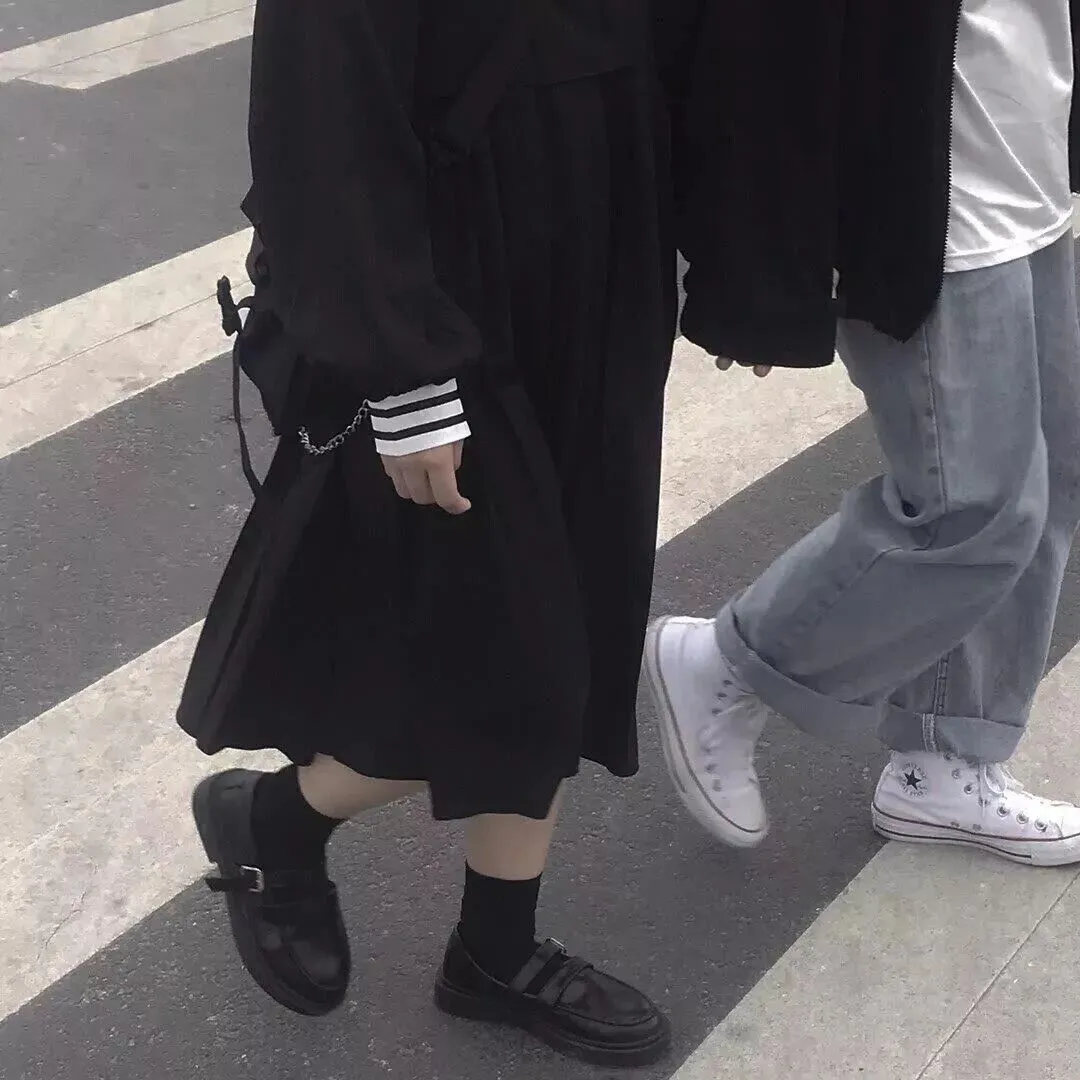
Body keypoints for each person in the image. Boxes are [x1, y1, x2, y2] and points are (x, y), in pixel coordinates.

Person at [176, 0, 675, 1066]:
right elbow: (325, 109)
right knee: (533, 661)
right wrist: (402, 372)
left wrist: (750, 264)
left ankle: (496, 950)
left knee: (575, 625)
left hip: (605, 250)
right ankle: (281, 819)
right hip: (447, 282)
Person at [648, 0, 1080, 865]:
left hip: (1028, 168)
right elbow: (761, 40)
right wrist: (753, 269)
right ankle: (730, 660)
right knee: (974, 508)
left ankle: (943, 760)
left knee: (1055, 474)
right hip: (927, 212)